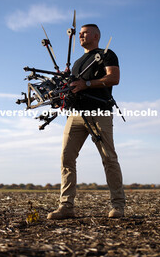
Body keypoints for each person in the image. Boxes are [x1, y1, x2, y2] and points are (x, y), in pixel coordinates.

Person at [47, 24, 126, 220]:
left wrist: (87, 84)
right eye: (79, 34)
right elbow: (72, 88)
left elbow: (114, 78)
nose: (80, 36)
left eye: (85, 33)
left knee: (109, 158)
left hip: (100, 112)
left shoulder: (107, 54)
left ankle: (118, 206)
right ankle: (66, 207)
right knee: (66, 158)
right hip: (75, 115)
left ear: (96, 36)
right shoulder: (77, 62)